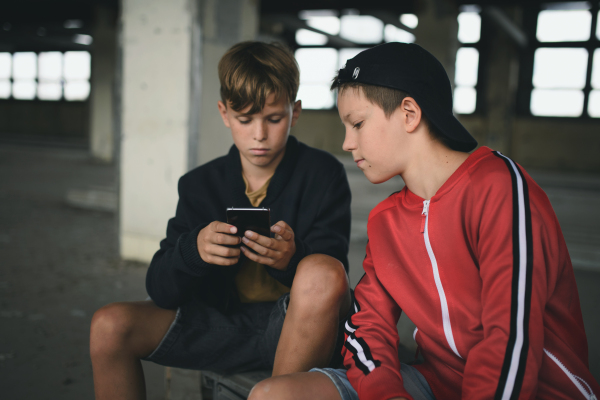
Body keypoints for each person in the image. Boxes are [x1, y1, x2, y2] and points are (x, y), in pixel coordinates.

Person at [248, 43, 600, 400]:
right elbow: (368, 326)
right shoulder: (387, 220)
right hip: (436, 382)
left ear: (409, 114)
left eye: (357, 124)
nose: (347, 143)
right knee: (272, 395)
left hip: (535, 390)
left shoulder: (498, 187)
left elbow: (510, 336)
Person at [89, 41, 353, 400]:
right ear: (224, 113)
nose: (259, 134)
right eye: (245, 120)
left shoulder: (324, 175)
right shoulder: (200, 185)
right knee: (108, 325)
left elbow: (332, 281)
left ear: (295, 111)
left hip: (297, 329)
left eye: (274, 119)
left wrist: (292, 258)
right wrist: (193, 250)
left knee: (321, 271)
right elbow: (161, 290)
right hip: (221, 325)